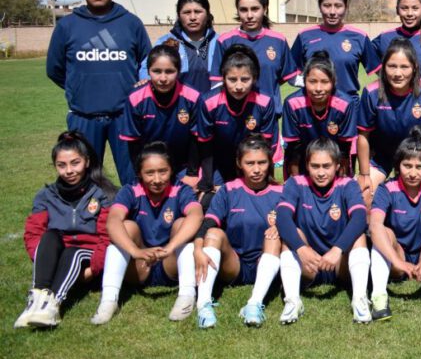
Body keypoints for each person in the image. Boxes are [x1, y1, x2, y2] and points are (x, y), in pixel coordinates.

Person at [46, 0, 151, 185]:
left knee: (133, 176)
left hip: (125, 116)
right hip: (84, 117)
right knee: (83, 177)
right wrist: (79, 86)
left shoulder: (131, 23)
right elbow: (54, 69)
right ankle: (87, 219)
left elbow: (147, 63)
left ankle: (133, 217)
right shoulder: (68, 25)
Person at [90, 142, 204, 324]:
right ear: (139, 174)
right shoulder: (130, 190)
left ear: (171, 170)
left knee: (182, 223)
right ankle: (109, 300)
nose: (157, 179)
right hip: (140, 266)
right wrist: (136, 252)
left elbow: (196, 215)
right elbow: (112, 221)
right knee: (126, 227)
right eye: (149, 173)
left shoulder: (181, 189)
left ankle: (187, 295)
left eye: (163, 171)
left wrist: (170, 248)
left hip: (170, 263)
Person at [15, 131, 117, 329]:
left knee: (74, 251)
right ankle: (36, 300)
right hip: (57, 255)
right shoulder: (45, 195)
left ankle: (53, 305)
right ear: (55, 166)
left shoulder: (103, 194)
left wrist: (93, 270)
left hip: (87, 256)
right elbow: (33, 233)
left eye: (75, 163)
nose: (69, 170)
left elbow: (107, 237)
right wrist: (45, 261)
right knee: (50, 235)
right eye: (62, 165)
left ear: (87, 162)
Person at [193, 134, 284, 328]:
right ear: (239, 163)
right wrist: (198, 248)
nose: (257, 169)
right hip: (234, 265)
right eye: (250, 163)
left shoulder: (281, 192)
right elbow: (208, 222)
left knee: (274, 233)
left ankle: (254, 304)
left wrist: (280, 225)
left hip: (266, 260)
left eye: (262, 162)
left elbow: (297, 227)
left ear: (270, 163)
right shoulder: (228, 190)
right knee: (214, 234)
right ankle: (203, 306)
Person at [276, 139, 370, 324]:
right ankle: (293, 301)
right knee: (290, 236)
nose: (320, 172)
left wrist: (337, 249)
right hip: (310, 263)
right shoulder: (295, 183)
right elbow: (282, 218)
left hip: (339, 263)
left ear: (337, 165)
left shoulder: (347, 184)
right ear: (307, 165)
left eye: (326, 166)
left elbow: (360, 218)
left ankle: (359, 300)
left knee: (358, 236)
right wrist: (302, 249)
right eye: (315, 166)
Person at [368, 127, 421, 321]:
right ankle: (379, 297)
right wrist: (398, 262)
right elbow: (374, 226)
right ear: (398, 165)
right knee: (384, 232)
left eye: (419, 167)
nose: (413, 173)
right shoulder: (386, 188)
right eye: (407, 166)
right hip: (397, 255)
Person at [356, 38, 421, 203]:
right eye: (392, 66)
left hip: (415, 157)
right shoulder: (371, 92)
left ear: (414, 67)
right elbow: (363, 136)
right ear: (383, 67)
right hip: (381, 157)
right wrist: (364, 175)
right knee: (363, 197)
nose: (397, 73)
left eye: (404, 67)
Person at [121, 44, 205, 189]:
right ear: (148, 71)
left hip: (184, 166)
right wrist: (142, 174)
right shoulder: (135, 99)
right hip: (150, 166)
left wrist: (191, 174)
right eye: (157, 71)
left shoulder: (193, 97)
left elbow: (195, 139)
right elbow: (133, 144)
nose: (163, 78)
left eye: (169, 71)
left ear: (178, 72)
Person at [211, 0, 299, 118]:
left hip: (269, 117)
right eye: (243, 10)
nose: (249, 15)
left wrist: (325, 83)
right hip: (235, 117)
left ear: (265, 9)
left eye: (255, 9)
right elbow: (217, 84)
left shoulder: (278, 40)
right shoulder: (225, 41)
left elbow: (292, 79)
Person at [194, 45, 277, 185]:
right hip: (218, 162)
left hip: (251, 162)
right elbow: (205, 145)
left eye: (245, 79)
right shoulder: (208, 102)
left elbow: (265, 145)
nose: (238, 86)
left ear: (254, 78)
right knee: (210, 199)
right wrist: (207, 181)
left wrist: (266, 178)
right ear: (223, 78)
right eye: (232, 79)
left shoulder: (265, 102)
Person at [289, 0, 374, 101]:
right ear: (319, 6)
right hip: (314, 109)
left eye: (338, 6)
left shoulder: (359, 37)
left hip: (349, 108)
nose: (332, 12)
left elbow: (382, 72)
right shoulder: (305, 36)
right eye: (327, 6)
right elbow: (289, 73)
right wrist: (311, 85)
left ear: (346, 7)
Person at [282, 52, 356, 177]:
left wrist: (341, 181)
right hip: (302, 164)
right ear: (304, 81)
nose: (318, 88)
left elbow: (344, 148)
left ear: (333, 82)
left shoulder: (345, 104)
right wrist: (296, 183)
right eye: (312, 81)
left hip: (334, 165)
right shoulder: (292, 104)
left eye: (324, 82)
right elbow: (293, 149)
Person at [141, 0, 219, 94]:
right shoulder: (165, 42)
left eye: (198, 12)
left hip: (212, 106)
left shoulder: (220, 42)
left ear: (208, 14)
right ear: (179, 15)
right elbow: (146, 69)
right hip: (178, 107)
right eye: (187, 12)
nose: (192, 17)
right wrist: (146, 81)